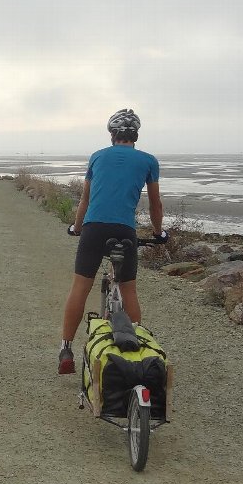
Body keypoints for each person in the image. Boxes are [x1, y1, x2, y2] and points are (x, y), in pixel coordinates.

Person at [58, 109, 166, 374]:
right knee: (128, 290)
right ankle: (138, 352)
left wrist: (77, 227)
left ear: (112, 134)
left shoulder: (97, 157)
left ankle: (66, 349)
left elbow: (85, 199)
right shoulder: (149, 161)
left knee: (80, 288)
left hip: (94, 229)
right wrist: (158, 232)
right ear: (136, 135)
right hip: (125, 230)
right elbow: (155, 203)